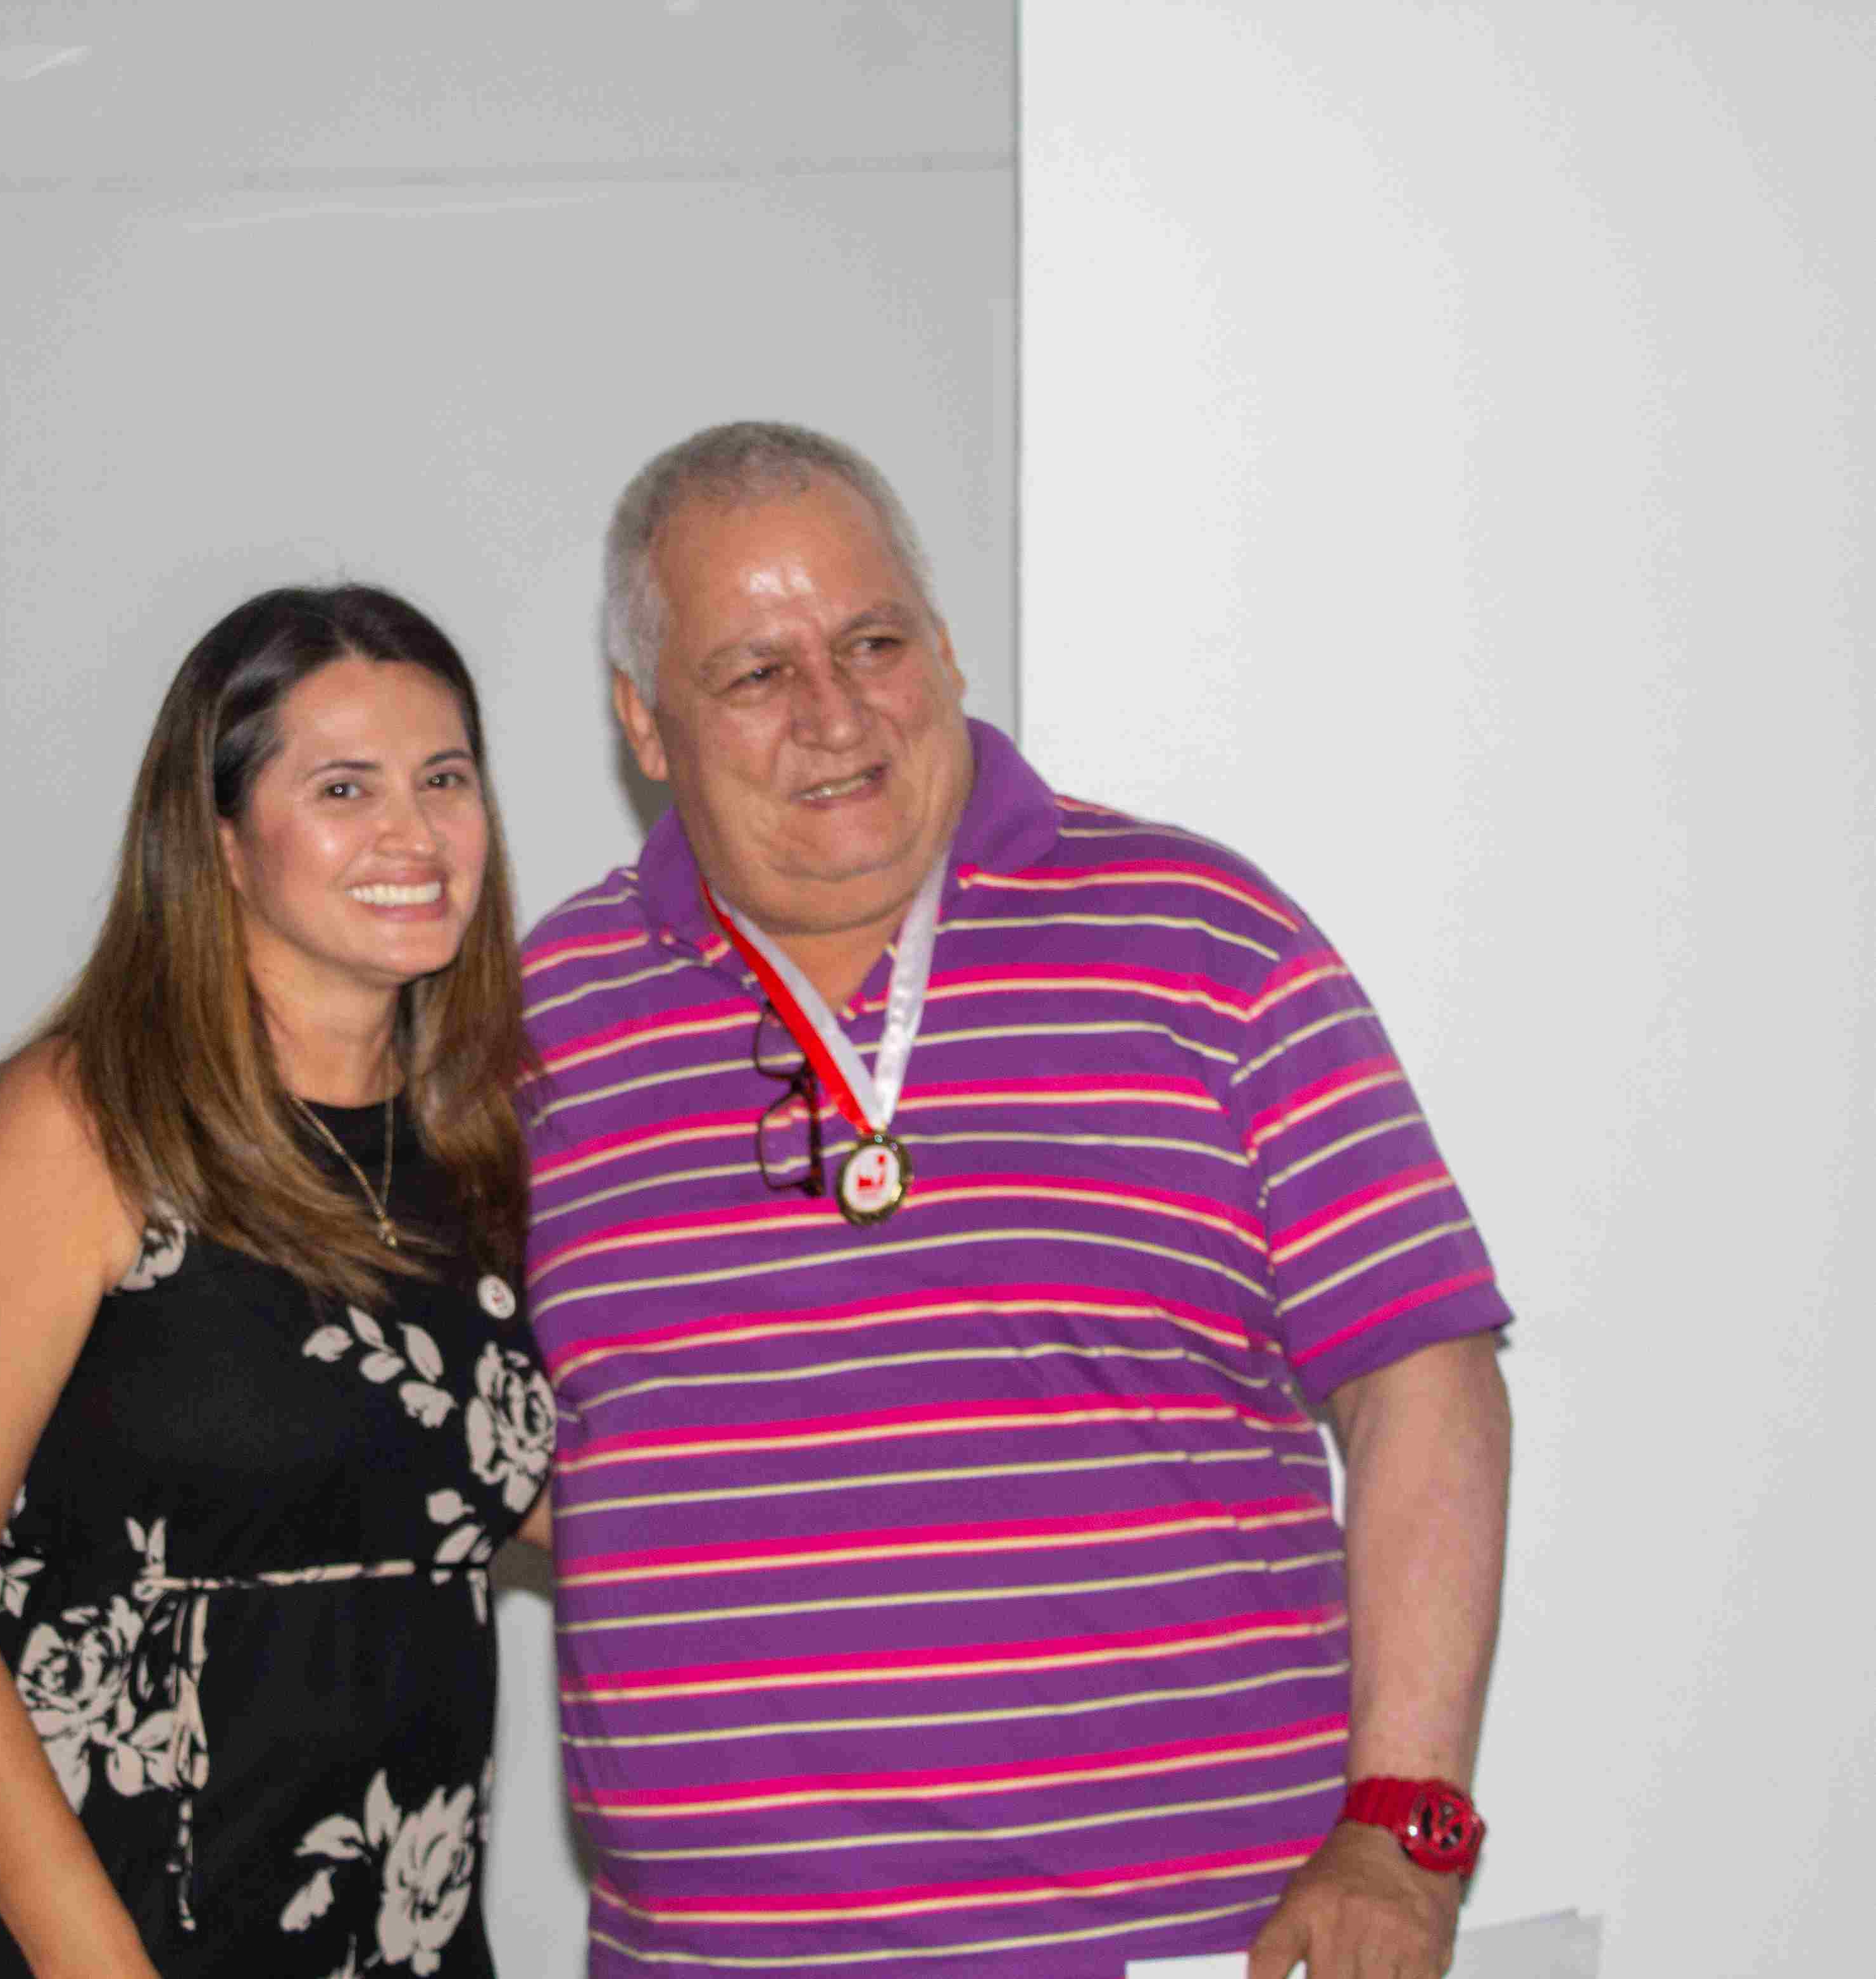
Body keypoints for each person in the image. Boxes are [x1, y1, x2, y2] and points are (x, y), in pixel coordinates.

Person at [521, 423, 1513, 1979]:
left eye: (873, 642)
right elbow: (452, 1436)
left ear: (946, 646)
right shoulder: (537, 1030)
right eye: (756, 672)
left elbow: (1423, 1377)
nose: (835, 712)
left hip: (1191, 1949)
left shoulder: (1207, 943)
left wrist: (1404, 1825)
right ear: (645, 720)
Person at [0, 584, 558, 1979]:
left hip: (399, 1931)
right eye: (344, 787)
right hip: (111, 1935)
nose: (413, 833)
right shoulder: (86, 1127)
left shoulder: (485, 1147)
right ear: (220, 840)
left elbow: (545, 1491)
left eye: (445, 778)